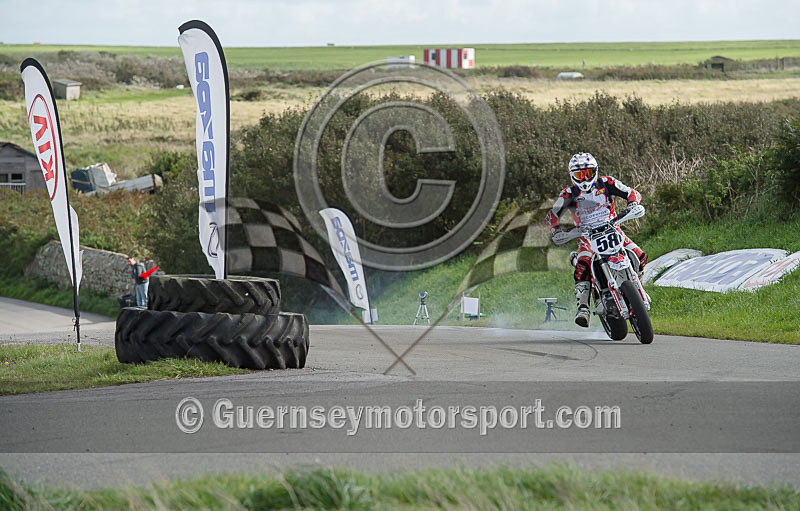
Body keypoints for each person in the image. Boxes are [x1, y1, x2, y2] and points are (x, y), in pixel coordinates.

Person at [545, 152, 648, 327]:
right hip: (587, 236)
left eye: (588, 173)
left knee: (641, 256)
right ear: (572, 176)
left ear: (595, 171)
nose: (584, 178)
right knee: (583, 264)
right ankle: (583, 308)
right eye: (579, 175)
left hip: (613, 228)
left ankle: (634, 289)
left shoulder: (607, 183)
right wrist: (556, 231)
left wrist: (632, 204)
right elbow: (551, 216)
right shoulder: (568, 194)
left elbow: (632, 193)